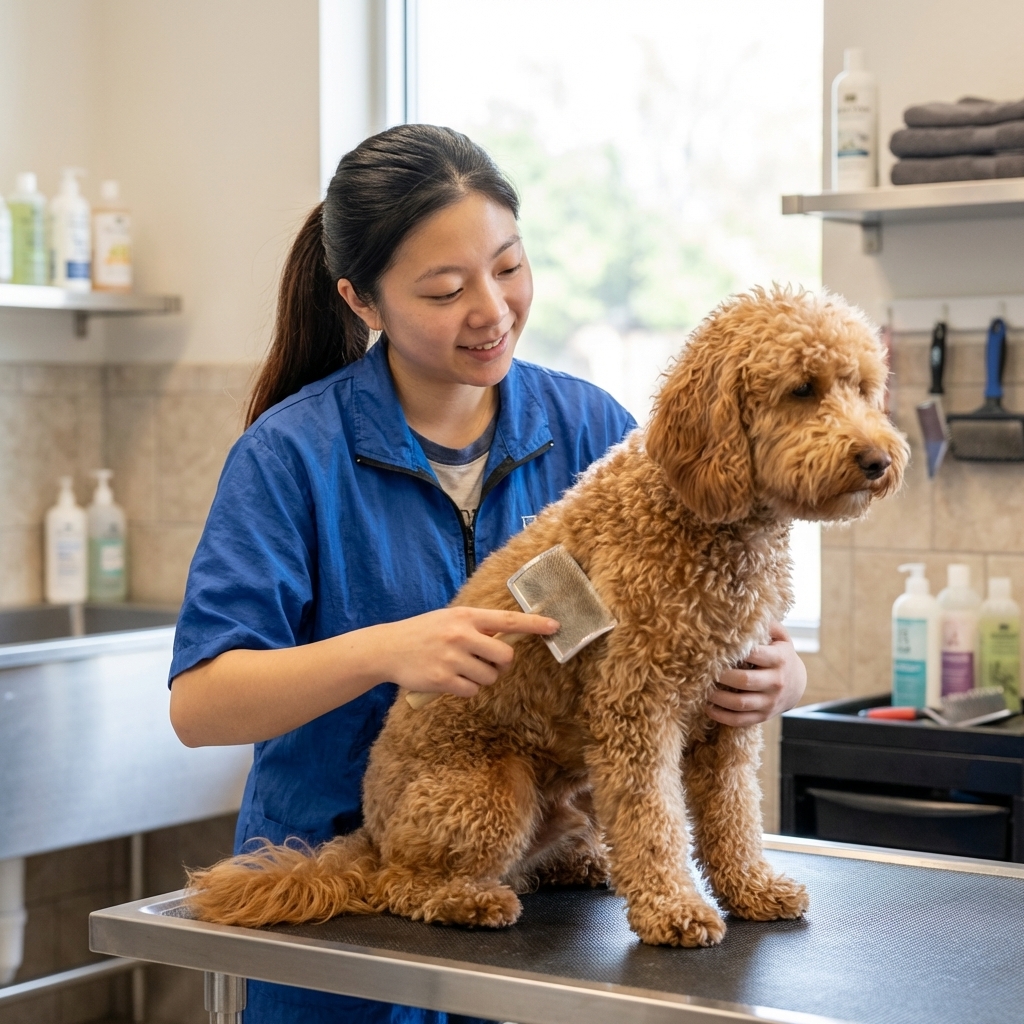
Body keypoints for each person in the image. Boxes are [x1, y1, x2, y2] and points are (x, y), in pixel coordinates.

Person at [168, 124, 807, 1024]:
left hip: (544, 921)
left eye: (508, 267)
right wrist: (389, 651)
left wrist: (780, 676)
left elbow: (663, 648)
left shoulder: (590, 428)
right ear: (362, 300)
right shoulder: (289, 458)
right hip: (343, 935)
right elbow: (201, 705)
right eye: (444, 289)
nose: (492, 309)